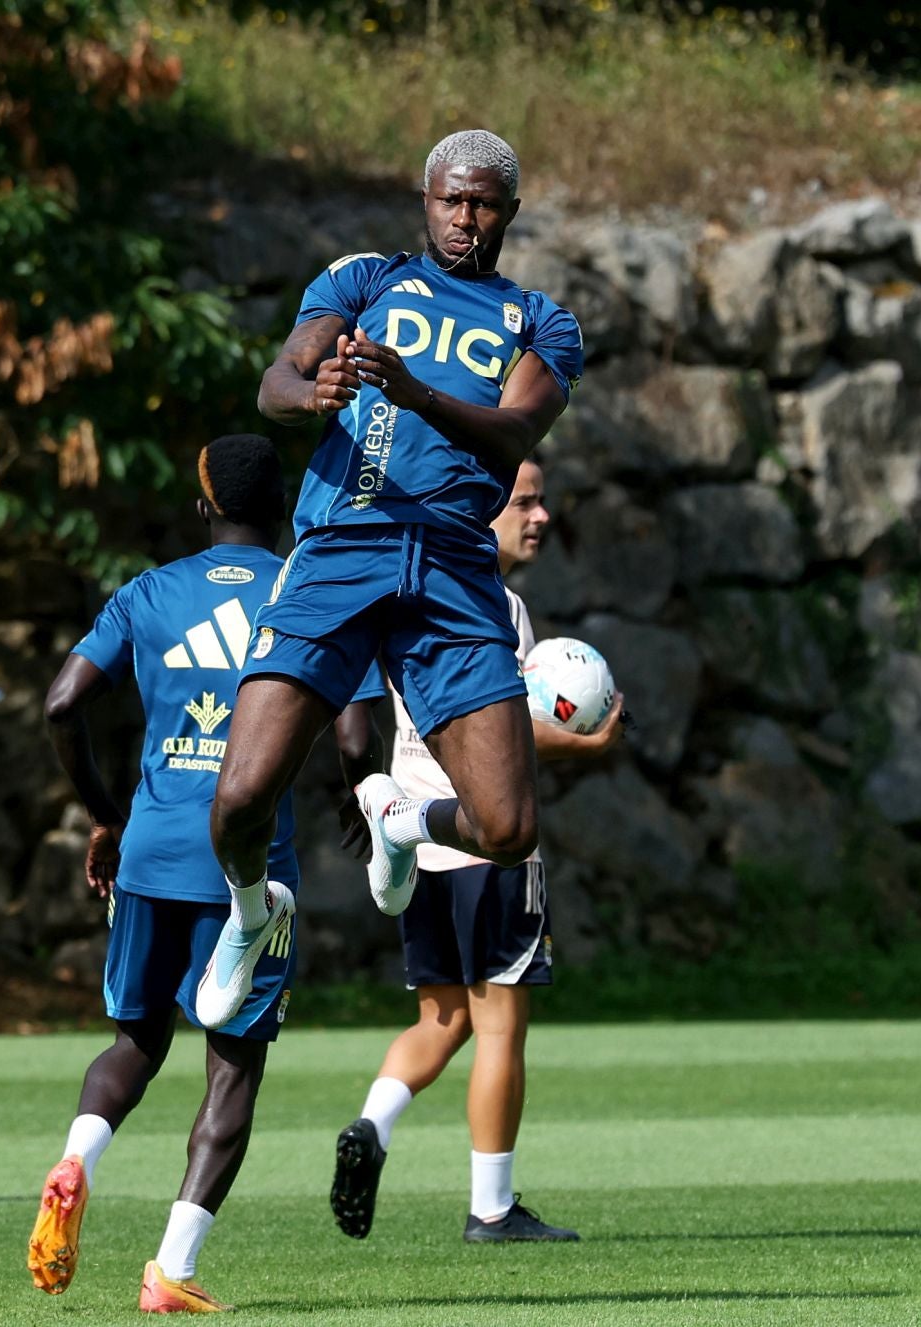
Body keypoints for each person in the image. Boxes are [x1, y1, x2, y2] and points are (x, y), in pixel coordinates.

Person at [199, 129, 584, 1029]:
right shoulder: (365, 280)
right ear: (426, 201)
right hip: (341, 546)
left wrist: (416, 396)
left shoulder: (541, 320)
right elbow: (277, 380)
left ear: (509, 213)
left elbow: (517, 432)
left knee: (506, 827)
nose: (465, 217)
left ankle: (405, 821)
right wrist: (314, 395)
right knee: (240, 798)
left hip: (453, 562)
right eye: (451, 199)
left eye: (483, 202)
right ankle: (253, 913)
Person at [29, 434, 382, 1314]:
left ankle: (77, 1157)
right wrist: (357, 794)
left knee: (135, 1043)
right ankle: (171, 1270)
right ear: (283, 508)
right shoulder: (313, 588)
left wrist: (107, 812)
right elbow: (351, 728)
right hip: (245, 871)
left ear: (202, 506)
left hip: (150, 852)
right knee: (233, 1066)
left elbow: (62, 703)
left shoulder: (149, 591)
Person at [331, 458, 621, 1244]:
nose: (541, 515)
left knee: (443, 1016)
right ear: (482, 507)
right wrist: (589, 744)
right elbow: (508, 736)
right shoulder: (497, 605)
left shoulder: (404, 591)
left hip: (417, 839)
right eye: (524, 501)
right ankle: (492, 1207)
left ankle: (372, 1126)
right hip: (488, 847)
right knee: (498, 1028)